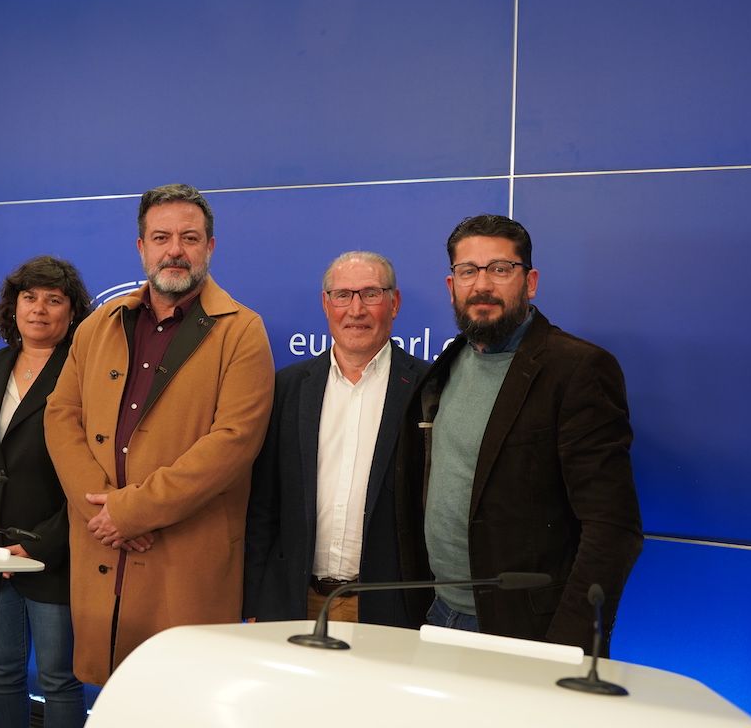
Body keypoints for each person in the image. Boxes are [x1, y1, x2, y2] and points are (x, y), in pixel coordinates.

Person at [44, 183, 274, 685]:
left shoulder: (243, 330)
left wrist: (132, 511)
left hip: (183, 558)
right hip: (103, 551)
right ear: (141, 247)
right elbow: (61, 416)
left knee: (178, 696)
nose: (175, 250)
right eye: (161, 237)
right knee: (109, 696)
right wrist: (102, 511)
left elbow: (233, 442)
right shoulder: (99, 324)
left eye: (189, 238)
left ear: (210, 247)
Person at [395, 214, 642, 654]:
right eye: (467, 270)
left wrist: (568, 645)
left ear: (530, 282)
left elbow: (612, 527)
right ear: (451, 285)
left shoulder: (578, 369)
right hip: (438, 615)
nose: (482, 284)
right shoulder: (449, 363)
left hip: (529, 632)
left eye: (500, 269)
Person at [244, 251, 427, 626]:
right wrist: (253, 603)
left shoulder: (427, 388)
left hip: (388, 611)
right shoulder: (288, 388)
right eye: (342, 295)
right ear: (325, 304)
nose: (355, 309)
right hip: (296, 606)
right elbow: (263, 506)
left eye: (370, 294)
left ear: (394, 303)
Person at [0, 256, 90, 728]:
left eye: (54, 299)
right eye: (29, 297)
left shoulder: (84, 375)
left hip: (53, 554)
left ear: (72, 312)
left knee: (58, 678)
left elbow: (93, 474)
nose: (39, 309)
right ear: (13, 306)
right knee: (1, 673)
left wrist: (37, 545)